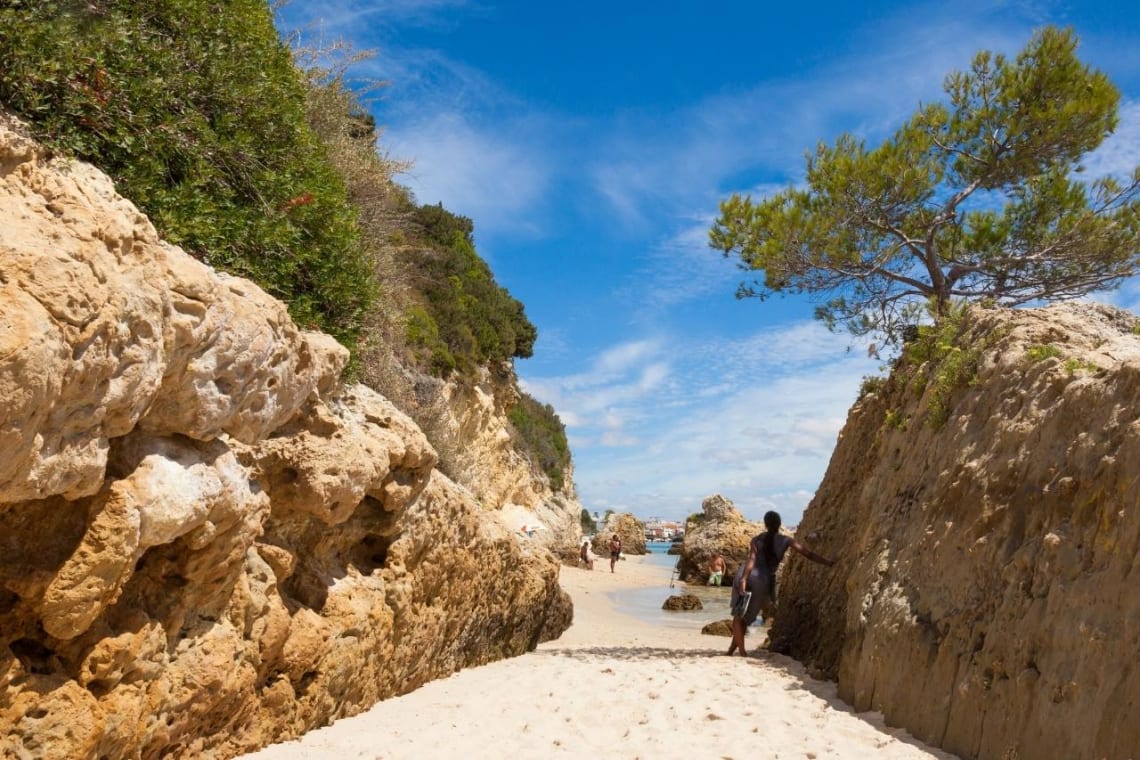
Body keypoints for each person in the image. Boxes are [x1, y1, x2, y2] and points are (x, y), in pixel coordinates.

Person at [728, 510, 835, 657]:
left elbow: (751, 560)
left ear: (765, 524)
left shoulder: (756, 540)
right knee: (746, 617)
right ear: (779, 524)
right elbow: (807, 553)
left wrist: (744, 579)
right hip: (763, 580)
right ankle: (733, 650)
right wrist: (828, 562)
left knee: (738, 614)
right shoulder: (786, 541)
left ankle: (741, 651)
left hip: (746, 574)